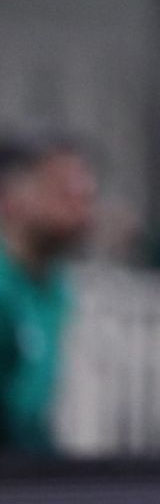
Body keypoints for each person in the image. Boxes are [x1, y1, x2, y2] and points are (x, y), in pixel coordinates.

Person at [0, 138, 96, 456]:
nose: (83, 208)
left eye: (86, 195)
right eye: (64, 192)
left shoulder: (55, 289)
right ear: (10, 199)